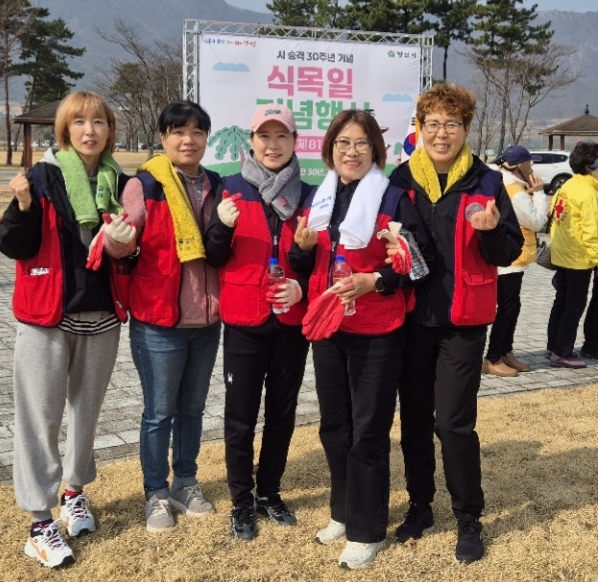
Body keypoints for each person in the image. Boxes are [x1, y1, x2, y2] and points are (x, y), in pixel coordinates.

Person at [385, 82, 523, 564]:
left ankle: (469, 518)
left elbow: (509, 250)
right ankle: (420, 506)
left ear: (466, 129)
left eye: (452, 124)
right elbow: (388, 242)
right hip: (410, 319)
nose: (441, 134)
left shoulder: (485, 182)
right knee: (414, 420)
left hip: (463, 321)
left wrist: (491, 232)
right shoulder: (401, 179)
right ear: (419, 128)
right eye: (432, 124)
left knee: (455, 424)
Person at [0, 91, 134, 568]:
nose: (89, 130)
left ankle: (74, 493)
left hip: (102, 316)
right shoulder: (40, 177)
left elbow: (132, 256)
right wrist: (22, 206)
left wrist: (127, 247)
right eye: (79, 122)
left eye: (98, 121)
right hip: (46, 316)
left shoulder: (121, 183)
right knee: (40, 419)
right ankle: (39, 522)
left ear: (110, 131)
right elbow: (13, 245)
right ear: (65, 130)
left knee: (86, 416)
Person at [287, 109, 416, 569]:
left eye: (362, 143)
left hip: (376, 330)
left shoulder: (395, 199)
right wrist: (301, 249)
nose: (352, 151)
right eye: (343, 142)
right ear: (329, 149)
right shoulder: (318, 198)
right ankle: (343, 512)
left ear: (375, 150)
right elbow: (303, 265)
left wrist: (374, 281)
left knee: (368, 432)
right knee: (334, 427)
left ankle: (367, 530)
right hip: (330, 327)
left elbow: (415, 265)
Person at [204, 104, 312, 541]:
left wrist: (302, 267)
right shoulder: (228, 188)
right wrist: (222, 227)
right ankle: (241, 502)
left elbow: (315, 262)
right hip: (245, 320)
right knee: (241, 417)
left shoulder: (309, 195)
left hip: (290, 321)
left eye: (281, 136)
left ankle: (269, 492)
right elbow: (213, 255)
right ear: (251, 142)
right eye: (264, 136)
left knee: (282, 413)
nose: (273, 144)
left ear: (294, 142)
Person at [119, 100, 223, 532]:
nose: (188, 140)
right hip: (158, 320)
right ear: (163, 138)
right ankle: (156, 492)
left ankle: (185, 481)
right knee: (159, 412)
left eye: (197, 132)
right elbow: (124, 243)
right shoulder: (145, 185)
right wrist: (118, 240)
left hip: (207, 321)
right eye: (178, 131)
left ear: (206, 138)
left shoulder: (217, 185)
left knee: (193, 409)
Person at [482, 145, 549, 376]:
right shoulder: (514, 191)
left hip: (508, 257)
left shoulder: (502, 182)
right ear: (520, 165)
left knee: (512, 307)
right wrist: (539, 193)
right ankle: (493, 357)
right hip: (510, 260)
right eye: (530, 163)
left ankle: (505, 352)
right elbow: (537, 222)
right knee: (507, 309)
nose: (532, 167)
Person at [545, 141, 598, 368]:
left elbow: (554, 217)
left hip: (561, 254)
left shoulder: (566, 186)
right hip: (578, 258)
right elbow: (592, 232)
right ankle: (562, 351)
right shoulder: (588, 193)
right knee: (574, 306)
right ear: (590, 165)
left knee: (561, 302)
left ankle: (553, 346)